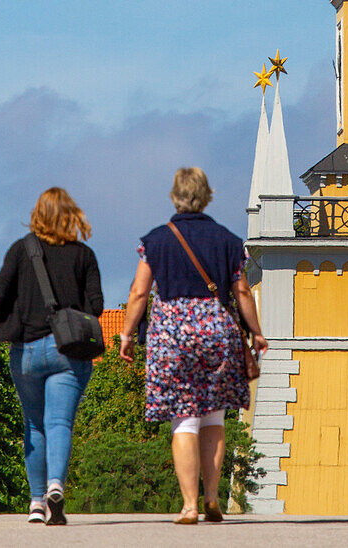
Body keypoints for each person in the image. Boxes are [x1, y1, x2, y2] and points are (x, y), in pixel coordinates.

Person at [120, 166, 267, 525]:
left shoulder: (155, 240)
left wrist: (127, 333)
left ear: (175, 196)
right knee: (214, 416)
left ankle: (189, 506)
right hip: (218, 331)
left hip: (172, 335)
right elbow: (242, 291)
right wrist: (256, 331)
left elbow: (140, 292)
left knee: (184, 419)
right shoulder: (229, 241)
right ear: (207, 195)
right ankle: (213, 497)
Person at [0, 188, 103, 526]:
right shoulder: (84, 255)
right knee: (60, 423)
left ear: (37, 215)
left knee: (34, 424)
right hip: (67, 352)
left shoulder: (21, 250)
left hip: (27, 352)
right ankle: (55, 485)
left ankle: (34, 502)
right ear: (72, 216)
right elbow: (97, 306)